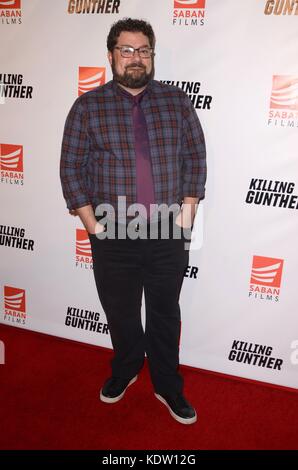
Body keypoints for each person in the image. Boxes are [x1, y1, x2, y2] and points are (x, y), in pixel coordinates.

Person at [60, 18, 206, 425]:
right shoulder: (87, 107)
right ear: (111, 56)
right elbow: (71, 169)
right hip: (113, 231)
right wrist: (94, 227)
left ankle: (167, 385)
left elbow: (195, 159)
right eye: (126, 50)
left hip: (165, 229)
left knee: (164, 312)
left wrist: (186, 216)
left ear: (152, 55)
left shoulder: (176, 102)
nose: (135, 58)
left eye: (143, 50)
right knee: (120, 312)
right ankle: (125, 370)